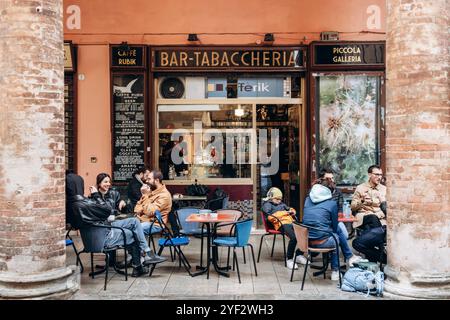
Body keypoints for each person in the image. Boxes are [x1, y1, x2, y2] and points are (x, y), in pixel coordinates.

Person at [89, 173, 167, 268]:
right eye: (105, 182)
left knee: (133, 226)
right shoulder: (93, 196)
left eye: (109, 182)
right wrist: (96, 196)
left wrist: (123, 203)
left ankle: (137, 258)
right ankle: (141, 258)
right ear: (99, 183)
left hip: (115, 221)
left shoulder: (114, 193)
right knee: (133, 228)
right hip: (104, 226)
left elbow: (133, 209)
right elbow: (136, 209)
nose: (108, 184)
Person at [302, 179, 363, 281]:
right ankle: (336, 270)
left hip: (306, 241)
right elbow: (334, 227)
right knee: (336, 236)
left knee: (336, 230)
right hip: (322, 242)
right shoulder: (331, 204)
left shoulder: (307, 200)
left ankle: (349, 256)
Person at [261, 187, 307, 270]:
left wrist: (292, 211)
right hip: (280, 224)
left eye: (280, 199)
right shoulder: (267, 205)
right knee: (294, 238)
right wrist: (285, 213)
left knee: (304, 233)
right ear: (271, 197)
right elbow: (269, 217)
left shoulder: (281, 204)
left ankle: (299, 255)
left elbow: (290, 209)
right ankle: (289, 259)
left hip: (291, 222)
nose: (279, 201)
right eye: (277, 199)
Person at [351, 165, 387, 263]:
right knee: (372, 218)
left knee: (369, 228)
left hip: (380, 218)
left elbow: (388, 208)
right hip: (364, 216)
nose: (379, 177)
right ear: (370, 174)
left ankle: (377, 259)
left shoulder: (384, 189)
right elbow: (353, 207)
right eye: (376, 174)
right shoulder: (360, 188)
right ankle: (381, 252)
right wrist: (362, 201)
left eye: (381, 175)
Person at [134, 170, 173, 236]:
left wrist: (145, 195)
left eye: (149, 179)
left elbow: (149, 212)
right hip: (142, 220)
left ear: (157, 180)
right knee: (124, 226)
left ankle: (143, 246)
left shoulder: (164, 195)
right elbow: (136, 209)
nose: (146, 181)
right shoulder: (150, 191)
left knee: (132, 230)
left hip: (155, 224)